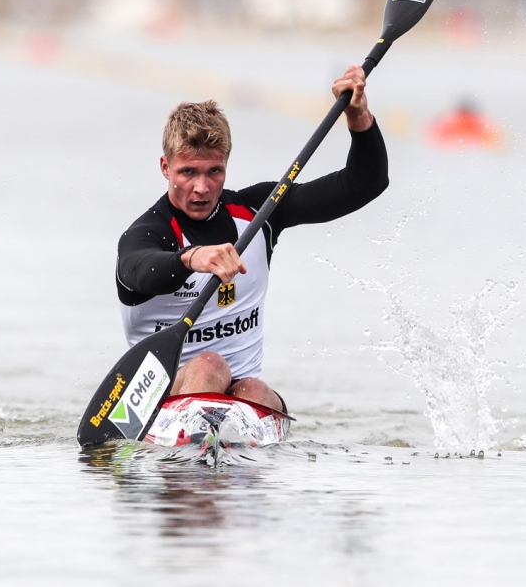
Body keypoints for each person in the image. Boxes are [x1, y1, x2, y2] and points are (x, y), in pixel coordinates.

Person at [115, 65, 387, 414]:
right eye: (188, 172)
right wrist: (190, 258)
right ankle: (187, 462)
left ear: (226, 165)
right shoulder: (148, 233)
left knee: (255, 392)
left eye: (214, 171)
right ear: (166, 167)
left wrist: (358, 116)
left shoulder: (259, 213)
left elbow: (365, 183)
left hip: (241, 403)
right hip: (159, 402)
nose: (202, 187)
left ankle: (242, 460)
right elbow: (137, 270)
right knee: (209, 366)